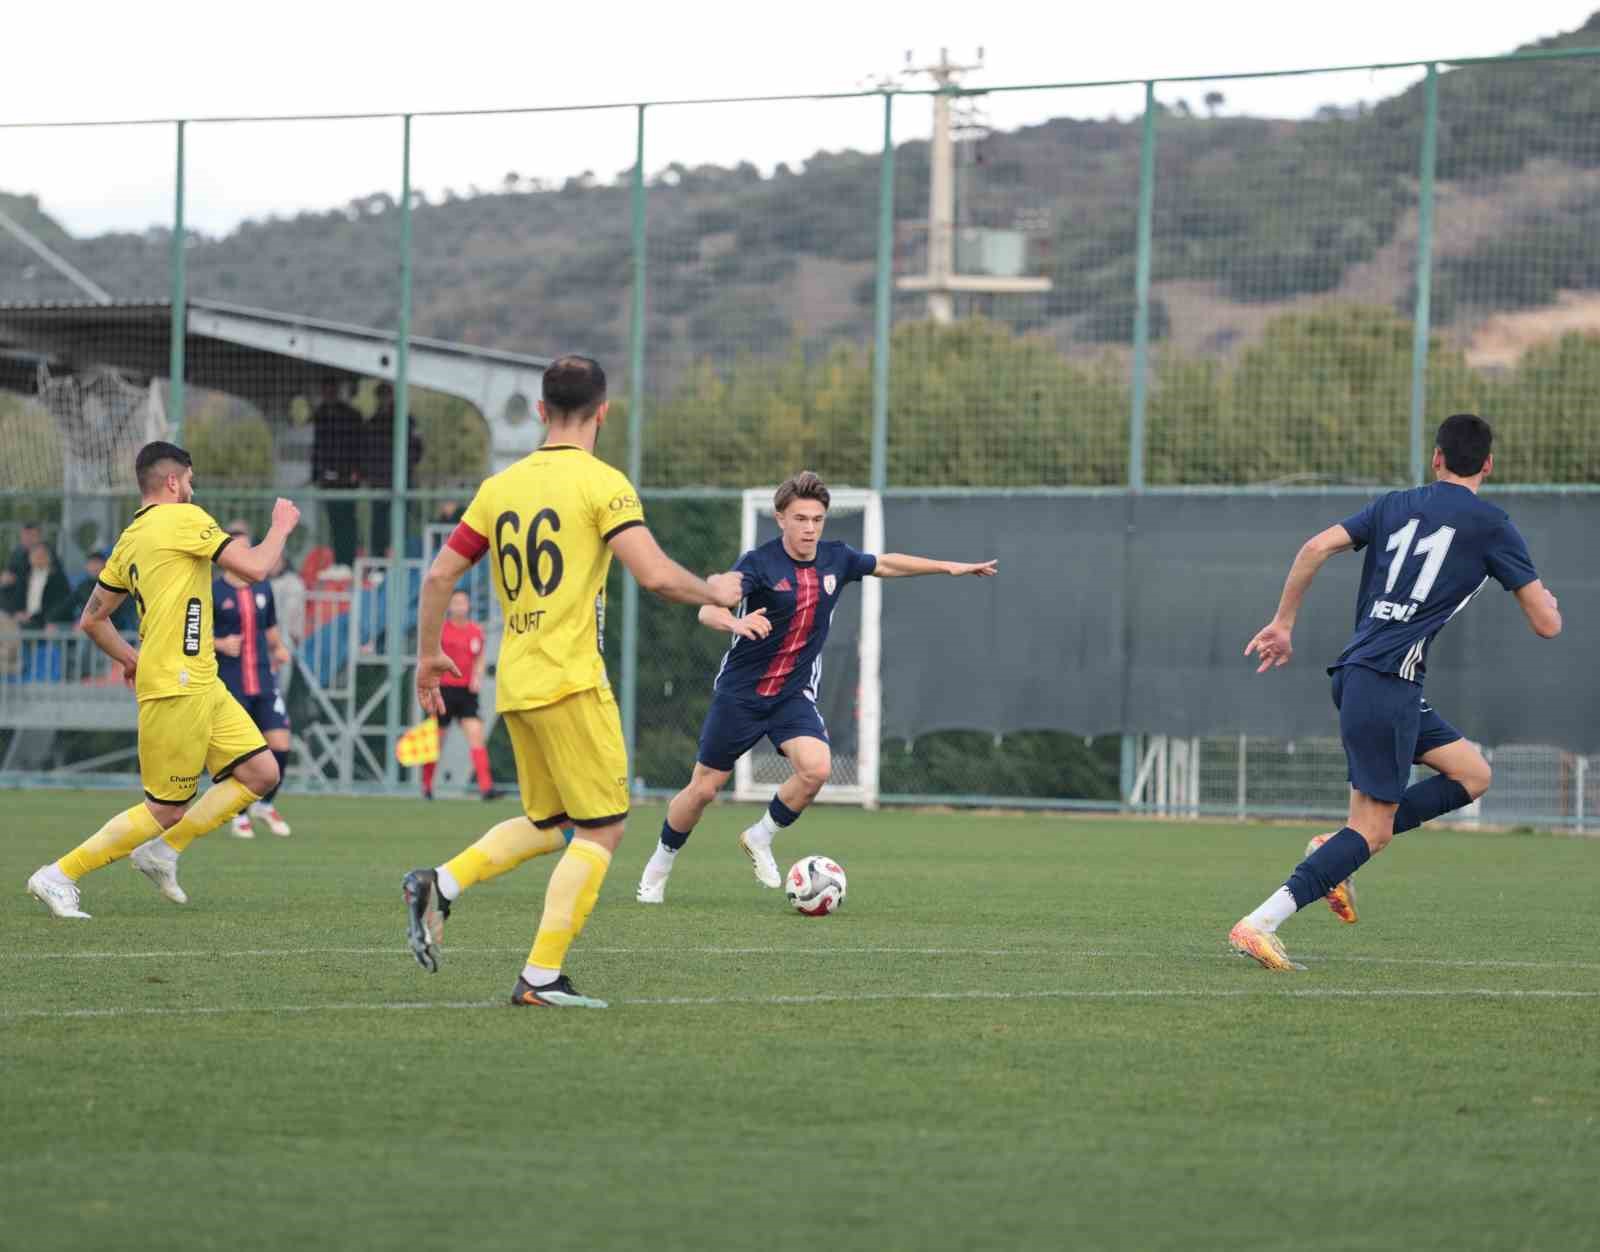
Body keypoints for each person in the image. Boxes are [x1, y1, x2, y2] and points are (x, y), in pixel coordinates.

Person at [399, 354, 742, 1008]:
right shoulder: (602, 484)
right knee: (604, 828)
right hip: (571, 681)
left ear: (538, 411)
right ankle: (541, 977)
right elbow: (657, 577)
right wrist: (716, 593)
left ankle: (439, 883)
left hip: (518, 683)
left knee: (552, 820)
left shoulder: (499, 487)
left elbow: (439, 576)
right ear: (603, 413)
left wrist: (427, 656)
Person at [1228, 414, 1563, 971]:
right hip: (1389, 683)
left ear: (1435, 458)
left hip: (1366, 675)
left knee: (1474, 775)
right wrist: (1546, 598)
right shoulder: (1493, 525)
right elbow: (1547, 624)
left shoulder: (1392, 505)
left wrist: (1283, 623)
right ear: (1488, 465)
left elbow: (1314, 547)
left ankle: (1334, 853)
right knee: (1373, 832)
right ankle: (1260, 922)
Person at [636, 471, 999, 904]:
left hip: (792, 696)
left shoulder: (836, 558)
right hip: (741, 695)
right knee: (704, 790)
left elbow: (885, 563)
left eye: (817, 519)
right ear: (780, 519)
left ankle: (760, 835)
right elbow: (708, 610)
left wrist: (946, 567)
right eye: (801, 518)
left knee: (817, 769)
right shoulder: (757, 563)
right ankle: (658, 866)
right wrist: (735, 620)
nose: (810, 527)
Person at [25, 441, 301, 919]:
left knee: (261, 773)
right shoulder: (185, 519)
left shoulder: (131, 537)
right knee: (166, 806)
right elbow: (255, 568)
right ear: (173, 482)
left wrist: (131, 658)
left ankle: (162, 852)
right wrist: (280, 528)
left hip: (201, 680)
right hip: (177, 685)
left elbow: (93, 619)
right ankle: (58, 874)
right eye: (190, 481)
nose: (193, 490)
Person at [213, 520, 295, 839]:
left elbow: (270, 630)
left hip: (263, 677)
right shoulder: (213, 591)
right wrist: (220, 644)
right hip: (230, 681)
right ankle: (240, 812)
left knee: (281, 744)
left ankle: (264, 804)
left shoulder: (263, 587)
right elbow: (192, 637)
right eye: (240, 548)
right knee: (243, 753)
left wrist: (279, 648)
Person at [420, 588, 497, 801]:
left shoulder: (475, 631)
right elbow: (430, 656)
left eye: (463, 602)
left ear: (469, 605)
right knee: (435, 741)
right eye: (455, 603)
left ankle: (486, 788)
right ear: (449, 606)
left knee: (476, 736)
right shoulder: (441, 631)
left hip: (466, 693)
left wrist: (477, 676)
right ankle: (426, 787)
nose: (459, 606)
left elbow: (479, 658)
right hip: (443, 691)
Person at [309, 376, 364, 567]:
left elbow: (358, 445)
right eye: (325, 389)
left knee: (348, 521)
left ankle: (348, 562)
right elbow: (316, 447)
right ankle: (338, 562)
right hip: (327, 480)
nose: (328, 393)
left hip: (346, 479)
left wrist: (356, 471)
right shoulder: (320, 415)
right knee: (333, 522)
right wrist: (317, 474)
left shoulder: (351, 415)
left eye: (331, 388)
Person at [365, 381, 424, 558]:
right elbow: (366, 451)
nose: (384, 400)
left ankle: (402, 562)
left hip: (401, 482)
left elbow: (417, 449)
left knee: (402, 525)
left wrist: (405, 469)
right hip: (379, 482)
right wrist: (371, 473)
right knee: (379, 526)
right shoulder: (372, 423)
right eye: (381, 396)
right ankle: (378, 564)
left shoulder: (406, 421)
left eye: (386, 395)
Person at [70, 550, 137, 633]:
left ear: (105, 565)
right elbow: (68, 603)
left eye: (97, 563)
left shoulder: (114, 583)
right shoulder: (82, 587)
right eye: (91, 564)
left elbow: (123, 609)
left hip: (114, 630)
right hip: (89, 631)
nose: (94, 567)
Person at [14, 542, 74, 628]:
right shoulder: (24, 576)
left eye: (42, 555)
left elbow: (62, 603)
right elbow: (17, 599)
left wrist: (40, 617)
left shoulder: (58, 577)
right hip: (25, 620)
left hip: (49, 621)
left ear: (49, 558)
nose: (38, 558)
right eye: (35, 555)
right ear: (30, 557)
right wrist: (18, 612)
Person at [0, 521, 45, 614]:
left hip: (39, 603)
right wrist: (6, 577)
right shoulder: (18, 553)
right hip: (19, 596)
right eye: (25, 536)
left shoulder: (45, 553)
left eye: (32, 536)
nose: (28, 539)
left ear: (39, 537)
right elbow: (10, 571)